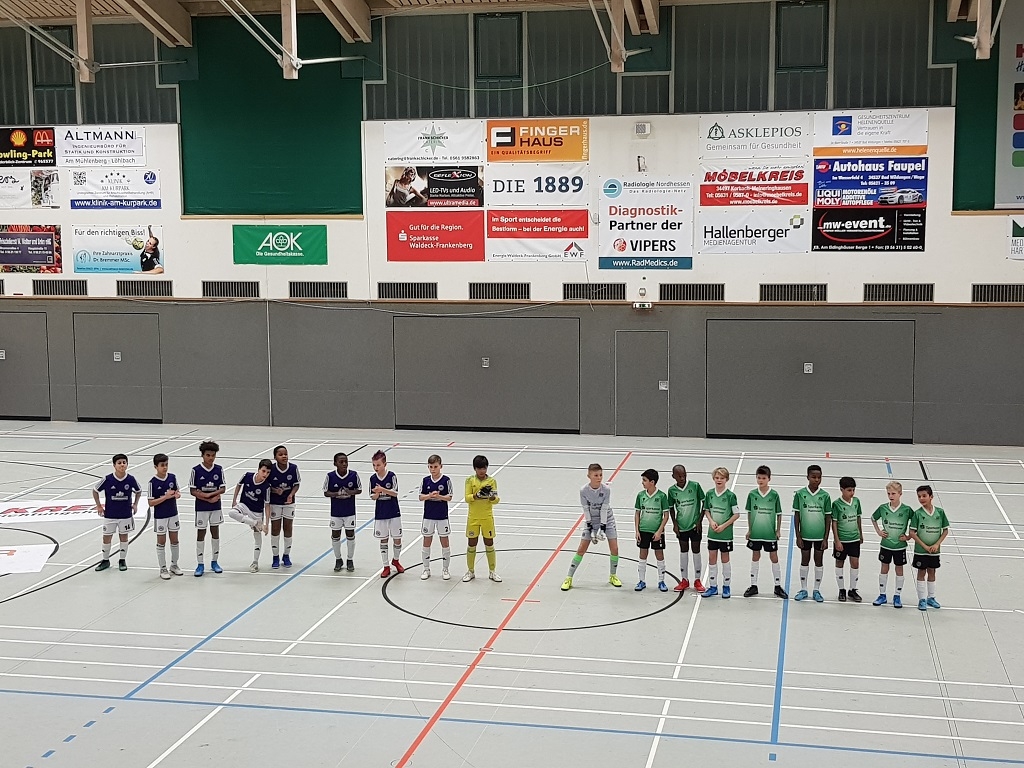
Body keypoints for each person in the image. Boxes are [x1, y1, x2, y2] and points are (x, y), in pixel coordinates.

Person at [562, 463, 621, 591]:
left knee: (615, 548)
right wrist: (590, 526)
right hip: (591, 519)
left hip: (607, 519)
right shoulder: (584, 490)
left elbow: (604, 508)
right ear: (589, 476)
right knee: (581, 549)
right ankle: (569, 578)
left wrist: (602, 528)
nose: (599, 478)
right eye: (596, 475)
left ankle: (613, 576)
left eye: (600, 475)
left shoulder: (606, 490)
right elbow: (585, 508)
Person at [92, 453, 141, 572]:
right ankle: (105, 560)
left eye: (124, 462)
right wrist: (99, 506)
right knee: (106, 537)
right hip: (110, 515)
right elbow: (95, 490)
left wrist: (135, 504)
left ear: (127, 464)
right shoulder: (107, 479)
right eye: (119, 463)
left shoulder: (131, 479)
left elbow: (138, 491)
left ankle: (122, 560)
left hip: (125, 515)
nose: (122, 465)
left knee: (124, 537)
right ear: (114, 465)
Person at [744, 465, 787, 599]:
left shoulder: (774, 495)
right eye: (759, 478)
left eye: (763, 478)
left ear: (769, 478)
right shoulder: (752, 494)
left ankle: (777, 586)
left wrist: (778, 530)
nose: (761, 480)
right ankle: (753, 585)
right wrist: (749, 529)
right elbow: (749, 513)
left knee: (774, 557)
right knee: (755, 556)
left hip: (769, 533)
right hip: (756, 533)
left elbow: (779, 513)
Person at [871, 480, 914, 609]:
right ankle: (882, 595)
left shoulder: (907, 510)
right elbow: (873, 518)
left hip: (900, 546)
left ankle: (897, 596)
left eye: (893, 493)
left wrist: (908, 536)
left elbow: (916, 522)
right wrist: (879, 531)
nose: (891, 496)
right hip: (886, 545)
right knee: (884, 568)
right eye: (889, 493)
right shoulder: (883, 508)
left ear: (900, 494)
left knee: (899, 569)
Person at [792, 464, 831, 603]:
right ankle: (803, 589)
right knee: (805, 560)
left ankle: (816, 590)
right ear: (807, 477)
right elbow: (797, 515)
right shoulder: (800, 494)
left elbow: (828, 517)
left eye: (819, 477)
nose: (816, 479)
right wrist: (798, 535)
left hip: (820, 536)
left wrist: (826, 538)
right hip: (805, 535)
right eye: (813, 477)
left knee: (819, 561)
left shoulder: (825, 496)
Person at [701, 467, 740, 599]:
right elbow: (706, 510)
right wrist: (711, 521)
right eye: (717, 478)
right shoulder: (709, 494)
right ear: (713, 479)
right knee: (712, 558)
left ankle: (726, 586)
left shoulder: (730, 496)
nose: (719, 480)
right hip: (713, 534)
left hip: (725, 534)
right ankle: (713, 587)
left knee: (725, 559)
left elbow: (736, 514)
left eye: (722, 478)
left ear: (726, 479)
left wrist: (723, 526)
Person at [909, 485, 950, 611]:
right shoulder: (917, 514)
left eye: (924, 496)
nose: (921, 498)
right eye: (919, 496)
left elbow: (945, 530)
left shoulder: (940, 512)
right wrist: (925, 546)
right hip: (921, 551)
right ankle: (921, 600)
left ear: (931, 496)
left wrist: (937, 544)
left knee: (932, 571)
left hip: (934, 551)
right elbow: (912, 533)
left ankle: (931, 598)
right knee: (921, 572)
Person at [228, 459, 273, 573]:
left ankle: (255, 563)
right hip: (244, 505)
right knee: (232, 513)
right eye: (263, 471)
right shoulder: (247, 476)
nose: (265, 474)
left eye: (268, 472)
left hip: (257, 511)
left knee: (257, 537)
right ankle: (254, 523)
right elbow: (238, 485)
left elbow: (267, 505)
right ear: (258, 469)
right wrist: (234, 500)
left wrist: (266, 524)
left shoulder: (266, 487)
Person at [190, 440, 226, 577]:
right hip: (201, 507)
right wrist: (206, 497)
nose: (211, 458)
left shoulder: (218, 469)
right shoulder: (196, 470)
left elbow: (223, 488)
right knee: (201, 533)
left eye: (213, 455)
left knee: (215, 532)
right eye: (208, 455)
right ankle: (200, 564)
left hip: (215, 506)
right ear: (202, 455)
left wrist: (211, 495)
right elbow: (193, 490)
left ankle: (214, 562)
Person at [464, 455, 501, 582]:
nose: (482, 471)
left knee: (489, 543)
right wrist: (476, 495)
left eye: (484, 468)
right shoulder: (469, 480)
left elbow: (496, 500)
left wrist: (491, 497)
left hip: (487, 518)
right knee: (472, 543)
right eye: (479, 468)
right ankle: (470, 571)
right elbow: (467, 498)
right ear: (475, 468)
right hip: (473, 518)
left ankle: (492, 571)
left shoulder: (491, 481)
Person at [668, 464, 705, 594]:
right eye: (679, 476)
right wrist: (675, 524)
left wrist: (699, 521)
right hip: (681, 526)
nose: (682, 478)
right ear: (673, 476)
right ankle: (684, 580)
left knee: (696, 551)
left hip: (695, 526)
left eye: (684, 475)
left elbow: (704, 502)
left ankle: (697, 580)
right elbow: (671, 508)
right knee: (683, 551)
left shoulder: (695, 486)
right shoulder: (672, 491)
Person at [634, 468, 671, 593]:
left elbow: (666, 515)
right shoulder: (641, 496)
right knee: (642, 555)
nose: (642, 482)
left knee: (659, 555)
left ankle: (661, 581)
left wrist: (659, 531)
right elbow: (637, 513)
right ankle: (641, 581)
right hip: (643, 530)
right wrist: (637, 530)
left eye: (644, 480)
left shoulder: (661, 496)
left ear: (652, 482)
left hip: (657, 531)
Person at [323, 452, 361, 572]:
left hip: (349, 511)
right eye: (341, 462)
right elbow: (325, 492)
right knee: (335, 535)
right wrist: (336, 494)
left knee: (350, 534)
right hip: (336, 512)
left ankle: (350, 560)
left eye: (346, 461)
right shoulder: (330, 476)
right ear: (335, 463)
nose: (344, 464)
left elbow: (359, 489)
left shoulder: (353, 475)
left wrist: (350, 492)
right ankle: (338, 559)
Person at [419, 454, 453, 580]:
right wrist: (429, 496)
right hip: (428, 516)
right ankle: (426, 569)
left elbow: (449, 497)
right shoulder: (425, 481)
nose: (433, 469)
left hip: (442, 516)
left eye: (435, 467)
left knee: (444, 541)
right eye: (431, 467)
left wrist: (439, 496)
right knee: (427, 540)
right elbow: (420, 497)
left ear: (440, 466)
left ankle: (445, 569)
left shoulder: (446, 480)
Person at [371, 450, 405, 579]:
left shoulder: (391, 476)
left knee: (397, 538)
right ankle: (386, 566)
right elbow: (372, 496)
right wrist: (377, 494)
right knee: (383, 539)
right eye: (374, 465)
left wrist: (382, 489)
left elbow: (395, 493)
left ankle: (396, 560)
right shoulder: (373, 478)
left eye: (378, 465)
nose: (376, 468)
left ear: (385, 464)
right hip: (381, 513)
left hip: (393, 511)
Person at [148, 453, 182, 580]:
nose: (165, 467)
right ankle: (163, 568)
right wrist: (165, 497)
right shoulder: (152, 483)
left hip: (173, 514)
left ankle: (174, 565)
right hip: (160, 516)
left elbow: (177, 491)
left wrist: (177, 495)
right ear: (156, 467)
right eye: (162, 465)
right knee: (161, 542)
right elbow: (151, 502)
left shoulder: (172, 477)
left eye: (166, 464)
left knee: (175, 540)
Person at [268, 445, 301, 569]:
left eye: (285, 454)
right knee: (275, 528)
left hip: (289, 503)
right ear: (275, 457)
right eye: (280, 454)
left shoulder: (293, 468)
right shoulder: (271, 469)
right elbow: (266, 484)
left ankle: (286, 555)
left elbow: (296, 484)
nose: (284, 456)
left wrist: (291, 494)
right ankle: (275, 556)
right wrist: (275, 490)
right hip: (275, 503)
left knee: (288, 528)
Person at [831, 476, 864, 602]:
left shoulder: (856, 502)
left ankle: (852, 590)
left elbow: (858, 517)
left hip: (854, 539)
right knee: (840, 563)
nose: (852, 493)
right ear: (842, 489)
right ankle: (841, 590)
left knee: (855, 563)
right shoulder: (836, 504)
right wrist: (837, 540)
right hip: (842, 540)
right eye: (849, 490)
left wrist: (860, 534)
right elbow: (834, 523)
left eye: (853, 490)